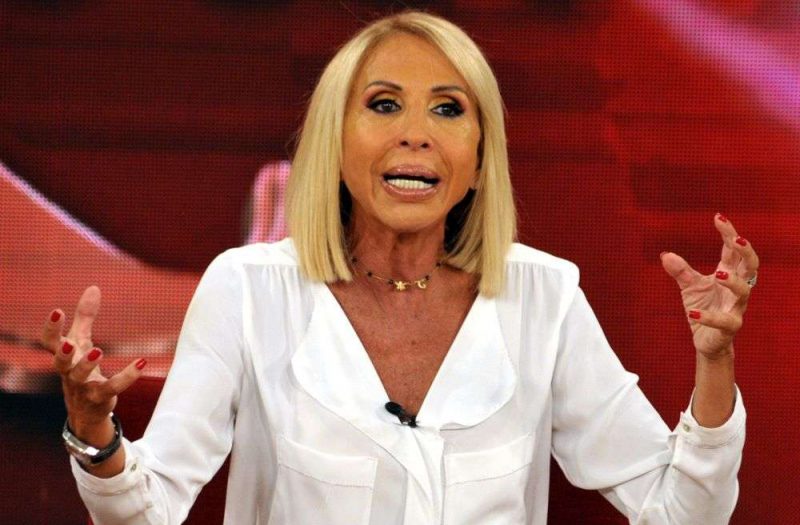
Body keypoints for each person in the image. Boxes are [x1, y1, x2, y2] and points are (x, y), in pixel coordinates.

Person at [43, 11, 757, 525]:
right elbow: (149, 509)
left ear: (479, 159)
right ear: (335, 142)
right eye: (384, 105)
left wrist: (715, 361)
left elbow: (680, 512)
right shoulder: (248, 290)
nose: (416, 133)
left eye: (448, 109)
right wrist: (95, 436)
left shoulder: (546, 297)